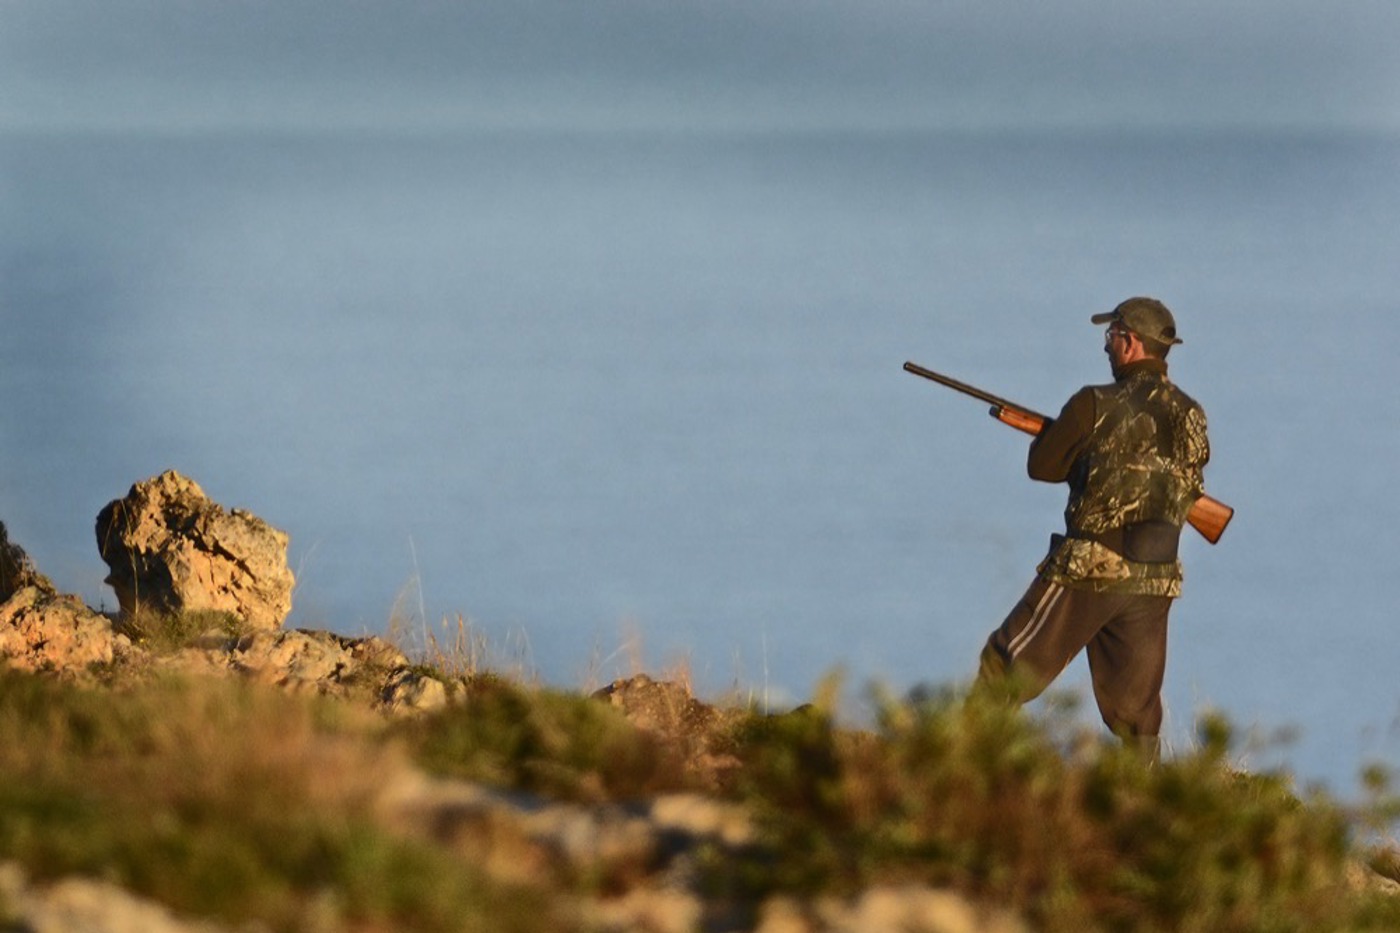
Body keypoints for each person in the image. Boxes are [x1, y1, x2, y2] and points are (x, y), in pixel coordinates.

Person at [975, 297, 1211, 759]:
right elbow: (1178, 473)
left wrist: (1064, 439)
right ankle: (1143, 806)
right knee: (1136, 714)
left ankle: (959, 769)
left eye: (1111, 336)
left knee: (1003, 666)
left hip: (1091, 568)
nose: (1106, 347)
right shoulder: (1192, 414)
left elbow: (1042, 467)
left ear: (1130, 342)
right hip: (1154, 577)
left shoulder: (1093, 404)